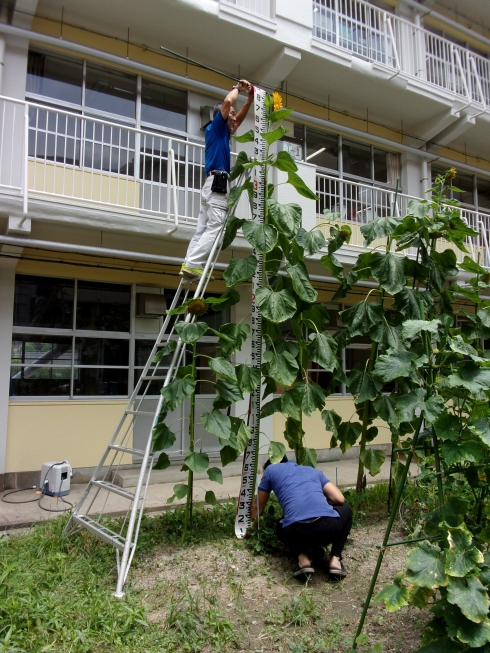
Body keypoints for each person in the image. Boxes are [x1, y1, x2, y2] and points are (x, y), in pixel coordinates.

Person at [180, 79, 254, 282]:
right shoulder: (216, 127)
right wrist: (237, 88)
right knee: (216, 229)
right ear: (221, 116)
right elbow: (228, 104)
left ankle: (189, 264)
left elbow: (237, 118)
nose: (234, 119)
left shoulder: (222, 133)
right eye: (230, 115)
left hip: (210, 185)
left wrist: (249, 99)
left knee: (202, 229)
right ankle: (194, 264)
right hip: (217, 185)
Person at [252, 457, 353, 579]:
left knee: (280, 524)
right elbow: (340, 499)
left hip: (297, 533)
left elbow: (258, 508)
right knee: (346, 509)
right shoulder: (312, 471)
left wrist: (251, 531)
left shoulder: (270, 470)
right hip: (327, 529)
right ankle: (335, 560)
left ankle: (303, 560)